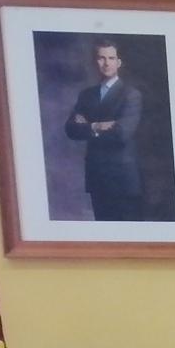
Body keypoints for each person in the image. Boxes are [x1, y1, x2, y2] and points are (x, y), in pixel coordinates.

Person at [62, 37, 143, 220]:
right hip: (97, 176)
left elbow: (122, 134)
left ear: (119, 62)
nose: (106, 63)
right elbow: (70, 129)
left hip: (122, 179)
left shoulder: (131, 95)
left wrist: (87, 127)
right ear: (95, 61)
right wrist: (97, 126)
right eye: (101, 58)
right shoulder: (87, 95)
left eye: (111, 58)